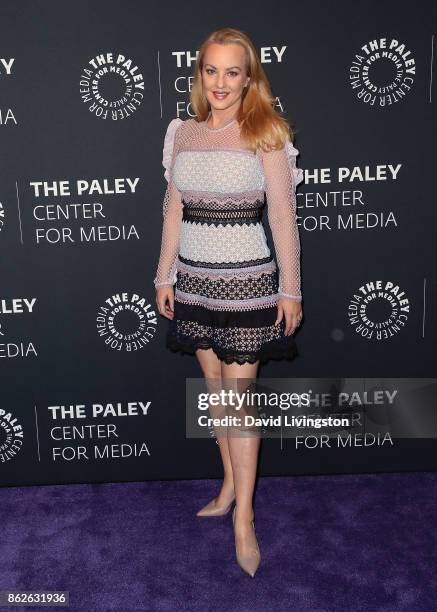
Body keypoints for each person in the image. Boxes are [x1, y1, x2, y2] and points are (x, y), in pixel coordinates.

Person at [154, 27, 303, 577]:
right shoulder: (184, 135)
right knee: (215, 395)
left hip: (247, 285)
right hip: (193, 281)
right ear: (200, 75)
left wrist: (291, 289)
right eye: (211, 71)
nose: (220, 82)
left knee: (239, 400)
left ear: (250, 77)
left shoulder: (265, 131)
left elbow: (283, 218)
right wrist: (163, 275)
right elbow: (173, 211)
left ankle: (245, 518)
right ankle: (227, 487)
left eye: (232, 71)